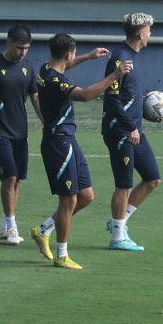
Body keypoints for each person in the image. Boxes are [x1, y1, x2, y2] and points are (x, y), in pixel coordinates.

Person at [28, 33, 124, 270]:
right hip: (59, 143)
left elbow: (66, 65)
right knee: (69, 199)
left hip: (68, 140)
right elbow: (85, 95)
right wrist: (114, 75)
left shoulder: (46, 68)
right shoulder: (54, 81)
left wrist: (89, 56)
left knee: (86, 196)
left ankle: (43, 230)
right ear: (69, 53)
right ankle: (62, 255)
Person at [101, 11, 162, 252]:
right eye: (149, 30)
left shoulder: (131, 57)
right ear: (140, 34)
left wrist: (147, 114)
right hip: (120, 131)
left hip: (134, 129)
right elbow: (112, 100)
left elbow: (128, 97)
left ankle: (119, 221)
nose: (151, 34)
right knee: (124, 184)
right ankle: (117, 237)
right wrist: (130, 126)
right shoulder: (119, 58)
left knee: (152, 178)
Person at [0, 26, 37, 246]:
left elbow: (34, 96)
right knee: (9, 176)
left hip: (20, 132)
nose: (23, 52)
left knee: (17, 179)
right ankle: (12, 227)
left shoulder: (28, 66)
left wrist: (46, 122)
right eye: (20, 47)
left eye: (27, 48)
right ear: (8, 42)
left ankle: (5, 224)